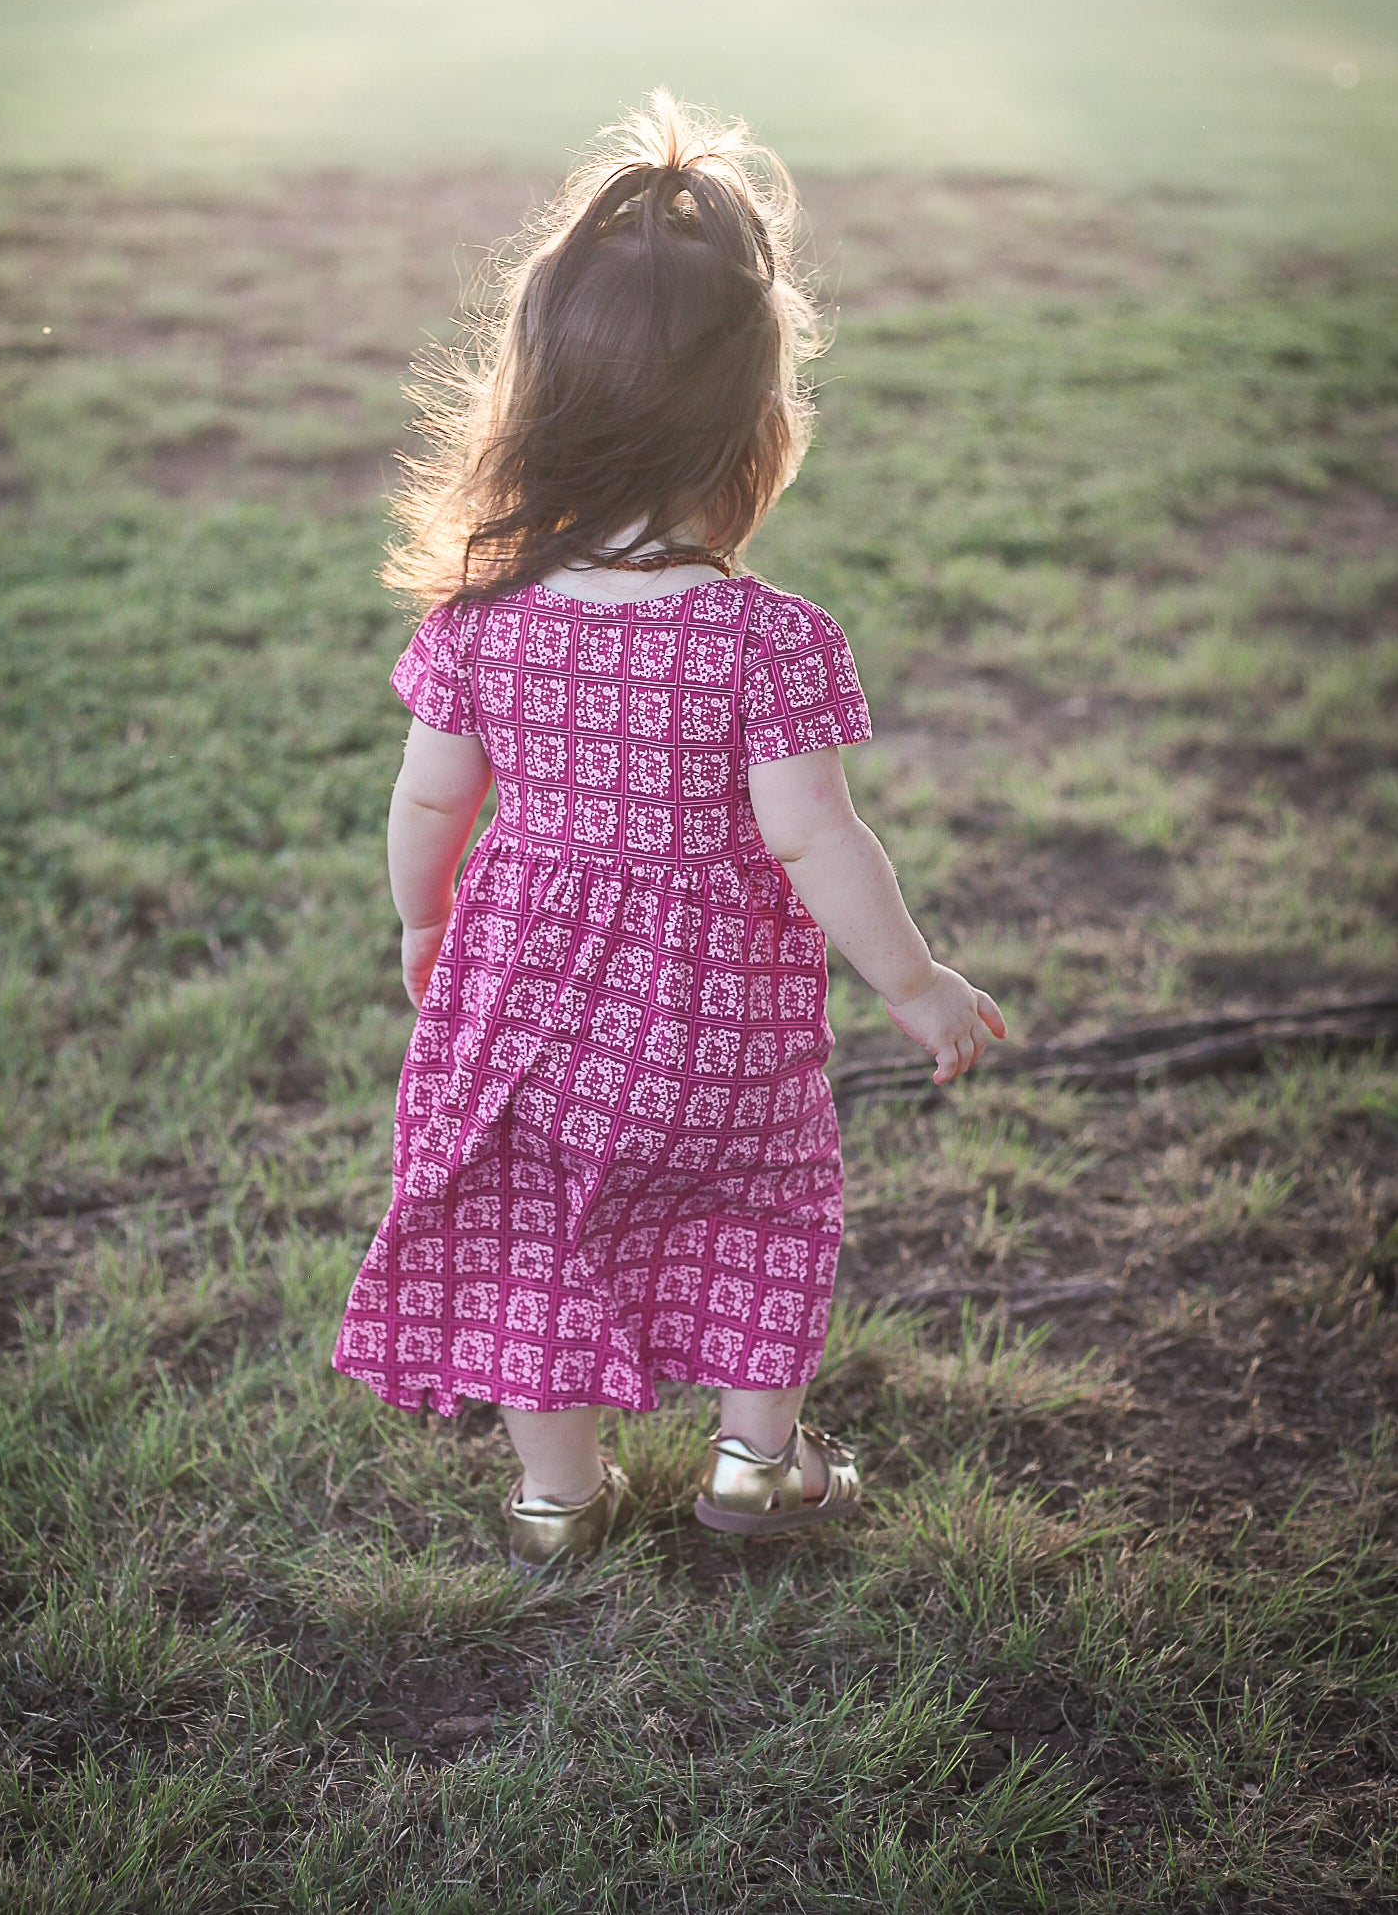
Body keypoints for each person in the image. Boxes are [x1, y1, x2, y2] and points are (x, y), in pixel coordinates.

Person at [333, 93, 1006, 1569]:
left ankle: (553, 1497)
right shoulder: (768, 638)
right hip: (715, 1015)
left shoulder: (483, 621)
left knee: (530, 1219)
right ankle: (759, 1460)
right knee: (761, 1195)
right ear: (758, 423)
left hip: (523, 991)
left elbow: (430, 794)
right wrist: (913, 983)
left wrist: (424, 919)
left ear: (534, 401)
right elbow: (815, 838)